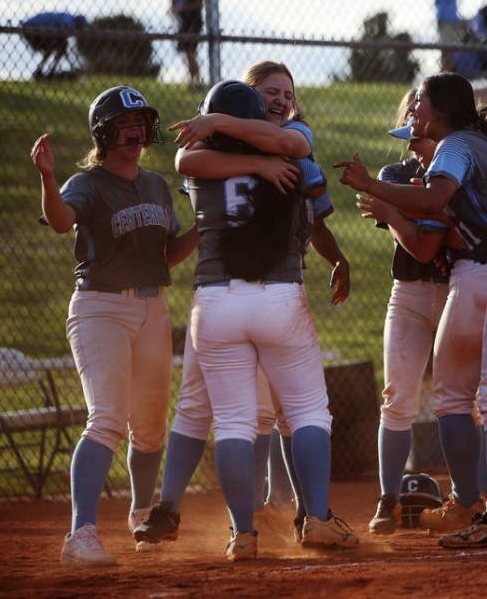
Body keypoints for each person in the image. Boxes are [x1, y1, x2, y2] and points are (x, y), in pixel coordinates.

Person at [337, 72, 487, 548]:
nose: (414, 109)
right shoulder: (468, 142)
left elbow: (433, 199)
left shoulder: (456, 145)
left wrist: (372, 187)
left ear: (440, 109)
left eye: (421, 101)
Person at [134, 62, 350, 554]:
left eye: (286, 93)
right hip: (278, 296)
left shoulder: (204, 158)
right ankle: (316, 516)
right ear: (254, 106)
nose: (281, 101)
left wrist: (213, 126)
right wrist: (257, 161)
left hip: (215, 299)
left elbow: (187, 161)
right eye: (270, 94)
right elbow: (291, 149)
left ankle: (243, 536)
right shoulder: (284, 148)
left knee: (231, 421)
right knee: (308, 411)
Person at [30, 86, 199, 566]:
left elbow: (167, 254)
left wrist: (204, 231)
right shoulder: (89, 183)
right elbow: (61, 221)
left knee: (149, 428)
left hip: (153, 308)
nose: (136, 131)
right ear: (103, 132)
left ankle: (142, 515)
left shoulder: (155, 185)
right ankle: (80, 535)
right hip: (100, 308)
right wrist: (47, 177)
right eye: (125, 123)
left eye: (141, 122)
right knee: (106, 417)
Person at [361, 91, 450, 535]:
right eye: (411, 121)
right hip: (410, 292)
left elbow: (428, 237)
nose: (415, 136)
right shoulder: (394, 173)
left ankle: (482, 496)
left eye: (422, 119)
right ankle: (387, 499)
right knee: (398, 397)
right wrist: (399, 211)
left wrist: (393, 210)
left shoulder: (459, 167)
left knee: (467, 400)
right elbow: (408, 239)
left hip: (459, 290)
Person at [21, 12, 87, 79]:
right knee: (57, 46)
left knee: (54, 47)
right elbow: (62, 41)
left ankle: (44, 70)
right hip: (33, 29)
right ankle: (49, 71)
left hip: (33, 28)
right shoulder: (69, 22)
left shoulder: (67, 18)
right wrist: (72, 63)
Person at [171, 0, 205, 87]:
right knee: (187, 52)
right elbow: (173, 4)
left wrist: (184, 8)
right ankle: (195, 78)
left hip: (194, 21)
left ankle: (195, 79)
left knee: (191, 51)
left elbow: (199, 2)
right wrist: (174, 10)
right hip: (182, 22)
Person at [434, 0, 464, 72]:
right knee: (447, 51)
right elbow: (443, 6)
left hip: (449, 21)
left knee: (448, 51)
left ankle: (446, 75)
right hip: (446, 21)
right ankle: (445, 76)